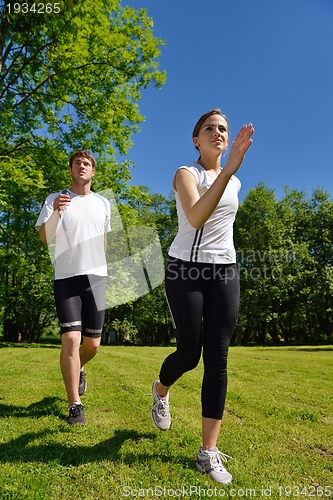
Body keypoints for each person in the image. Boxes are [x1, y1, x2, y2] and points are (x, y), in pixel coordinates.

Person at [151, 109, 254, 483]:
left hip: (224, 269)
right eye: (209, 128)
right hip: (185, 270)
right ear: (196, 139)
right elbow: (195, 217)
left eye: (223, 129)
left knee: (218, 357)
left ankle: (208, 452)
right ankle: (161, 390)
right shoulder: (186, 174)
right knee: (189, 353)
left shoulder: (236, 182)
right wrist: (227, 171)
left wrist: (229, 173)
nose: (218, 133)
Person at [35, 150, 111, 424]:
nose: (82, 166)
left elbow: (103, 240)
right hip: (66, 278)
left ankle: (77, 369)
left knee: (92, 345)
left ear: (93, 172)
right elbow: (45, 237)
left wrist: (103, 270)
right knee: (71, 339)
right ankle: (74, 405)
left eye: (87, 163)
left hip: (96, 279)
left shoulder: (104, 203)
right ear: (71, 170)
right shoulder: (56, 199)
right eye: (77, 163)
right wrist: (56, 210)